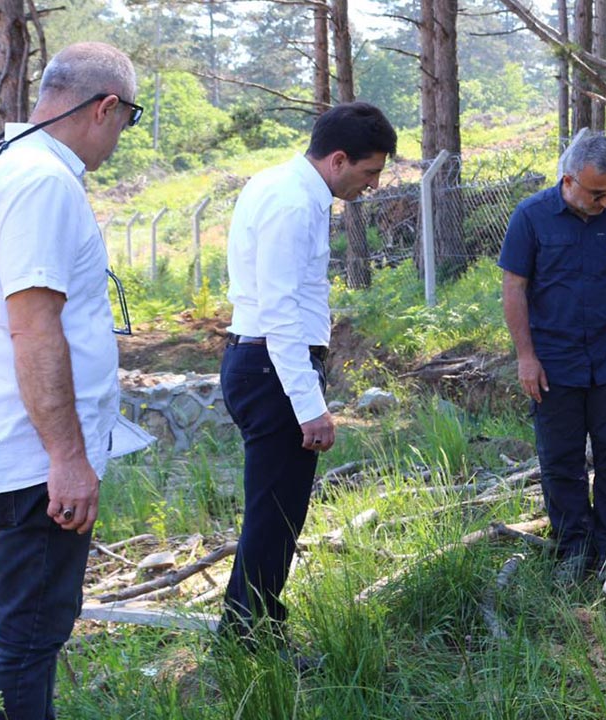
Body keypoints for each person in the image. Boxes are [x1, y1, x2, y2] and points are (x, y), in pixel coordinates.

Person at [0, 42, 140, 719]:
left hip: (14, 442)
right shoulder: (43, 181)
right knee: (30, 637)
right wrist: (67, 457)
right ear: (105, 106)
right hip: (35, 457)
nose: (120, 135)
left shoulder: (0, 166)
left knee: (26, 631)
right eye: (128, 117)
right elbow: (33, 325)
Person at [219, 102, 397, 644]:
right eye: (368, 173)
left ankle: (251, 626)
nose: (370, 186)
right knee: (275, 513)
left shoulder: (287, 187)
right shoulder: (293, 202)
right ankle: (250, 635)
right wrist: (309, 404)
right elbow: (279, 313)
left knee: (277, 511)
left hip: (267, 363)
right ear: (338, 159)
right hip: (272, 367)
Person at [498, 133, 606, 585]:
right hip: (554, 363)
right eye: (596, 193)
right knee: (561, 459)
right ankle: (574, 548)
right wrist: (525, 357)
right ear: (568, 181)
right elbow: (514, 289)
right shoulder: (531, 217)